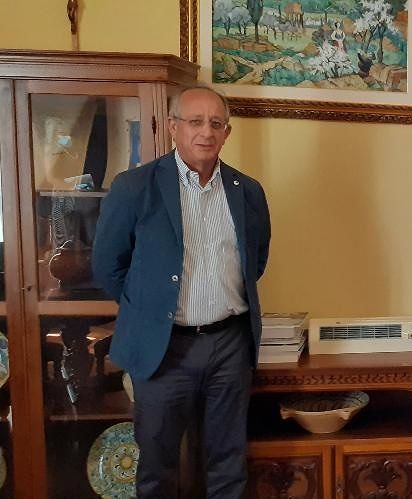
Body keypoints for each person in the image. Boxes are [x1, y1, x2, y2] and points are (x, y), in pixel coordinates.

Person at [93, 85, 271, 498]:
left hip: (229, 345)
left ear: (227, 132)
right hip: (163, 349)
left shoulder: (248, 192)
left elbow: (255, 262)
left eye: (215, 123)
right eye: (195, 121)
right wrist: (151, 311)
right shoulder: (135, 187)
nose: (206, 132)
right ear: (173, 127)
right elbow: (108, 267)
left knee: (228, 461)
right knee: (157, 465)